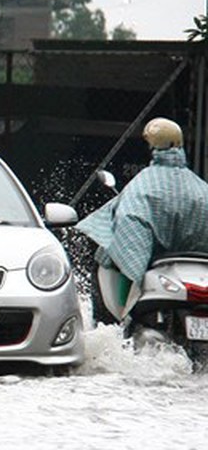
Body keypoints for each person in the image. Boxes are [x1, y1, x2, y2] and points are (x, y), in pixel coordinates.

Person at [76, 117, 208, 309]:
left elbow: (128, 221)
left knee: (106, 260)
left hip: (158, 266)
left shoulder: (144, 185)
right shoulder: (200, 188)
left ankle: (120, 316)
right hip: (195, 266)